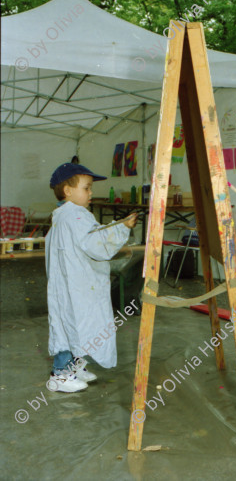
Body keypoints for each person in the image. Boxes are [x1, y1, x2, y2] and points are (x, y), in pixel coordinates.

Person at [46, 162, 138, 393]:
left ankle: (74, 367)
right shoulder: (75, 216)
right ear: (68, 191)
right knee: (69, 326)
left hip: (72, 283)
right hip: (73, 285)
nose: (91, 193)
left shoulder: (65, 215)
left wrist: (117, 227)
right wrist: (122, 227)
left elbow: (90, 237)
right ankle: (60, 375)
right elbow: (95, 244)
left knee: (75, 324)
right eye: (86, 188)